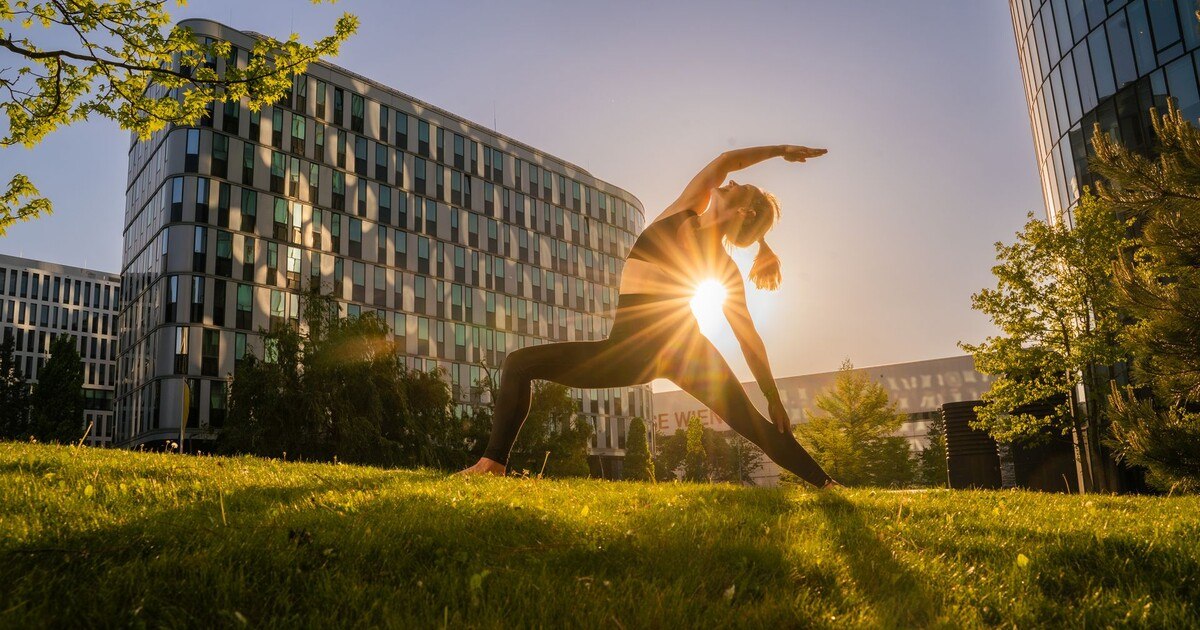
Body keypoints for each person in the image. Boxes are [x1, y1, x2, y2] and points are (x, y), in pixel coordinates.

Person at [459, 144, 839, 488]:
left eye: (740, 186)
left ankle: (826, 484)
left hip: (684, 349)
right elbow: (725, 161)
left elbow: (748, 338)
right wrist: (781, 151)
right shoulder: (683, 209)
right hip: (625, 349)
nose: (732, 179)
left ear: (745, 210)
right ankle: (493, 463)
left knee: (755, 424)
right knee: (519, 364)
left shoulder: (723, 268)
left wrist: (772, 396)